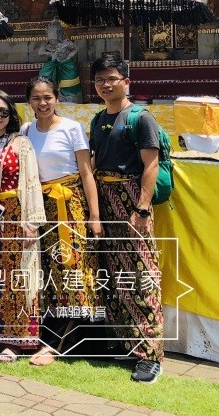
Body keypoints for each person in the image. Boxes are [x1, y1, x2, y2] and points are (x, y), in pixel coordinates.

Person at [89, 53, 165, 384]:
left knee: (141, 272)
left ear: (126, 81)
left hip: (131, 199)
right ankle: (125, 344)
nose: (106, 85)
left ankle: (151, 355)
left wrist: (143, 207)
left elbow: (151, 164)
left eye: (111, 79)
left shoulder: (140, 118)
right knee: (112, 273)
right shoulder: (97, 119)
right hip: (105, 200)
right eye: (100, 80)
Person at [21, 76, 101, 366]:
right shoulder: (26, 131)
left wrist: (94, 216)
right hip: (39, 208)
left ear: (57, 98)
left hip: (70, 207)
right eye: (36, 98)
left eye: (48, 97)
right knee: (45, 272)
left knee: (72, 269)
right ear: (29, 101)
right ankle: (46, 335)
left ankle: (57, 343)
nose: (42, 103)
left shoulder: (71, 128)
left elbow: (87, 173)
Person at [0, 90, 46, 362]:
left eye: (3, 111)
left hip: (16, 214)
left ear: (10, 114)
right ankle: (4, 338)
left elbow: (32, 182)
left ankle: (24, 339)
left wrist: (32, 222)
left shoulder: (21, 143)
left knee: (21, 277)